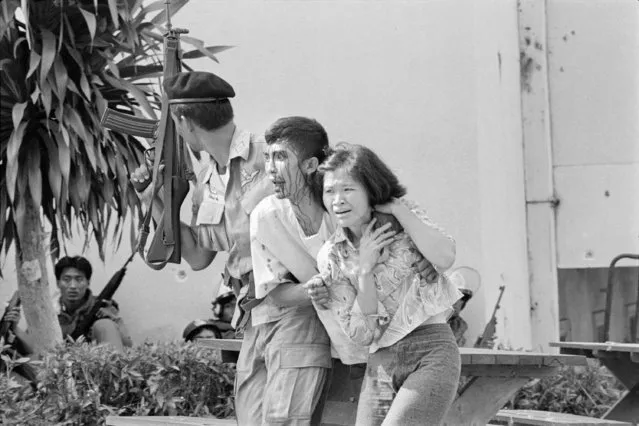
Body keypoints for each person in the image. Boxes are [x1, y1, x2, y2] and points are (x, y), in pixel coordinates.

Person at [242, 117, 442, 425]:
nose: (269, 168)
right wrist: (310, 291)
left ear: (309, 165)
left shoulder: (350, 205)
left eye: (280, 157)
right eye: (266, 157)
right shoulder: (265, 217)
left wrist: (424, 259)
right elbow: (275, 292)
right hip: (347, 341)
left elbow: (419, 248)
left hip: (398, 341)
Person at [313, 143, 462, 426]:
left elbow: (445, 257)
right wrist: (364, 272)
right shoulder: (332, 256)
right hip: (381, 361)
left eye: (348, 189)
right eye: (329, 191)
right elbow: (361, 334)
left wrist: (397, 207)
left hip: (431, 350)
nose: (337, 200)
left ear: (371, 188)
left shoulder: (404, 220)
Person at [130, 71, 273, 332]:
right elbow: (197, 256)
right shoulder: (205, 180)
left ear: (185, 122)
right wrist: (152, 199)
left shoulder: (269, 156)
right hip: (249, 312)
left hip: (288, 306)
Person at [4, 256, 133, 353]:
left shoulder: (102, 307)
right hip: (58, 372)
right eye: (67, 279)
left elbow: (127, 344)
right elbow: (33, 349)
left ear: (88, 282)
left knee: (104, 324)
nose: (73, 286)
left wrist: (115, 319)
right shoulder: (48, 311)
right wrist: (15, 327)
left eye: (79, 279)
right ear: (58, 282)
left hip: (94, 369)